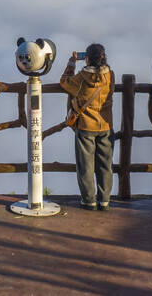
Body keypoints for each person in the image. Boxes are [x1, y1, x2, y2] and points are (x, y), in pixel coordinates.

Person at [61, 43, 115, 211]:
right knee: (105, 165)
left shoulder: (82, 77)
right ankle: (104, 200)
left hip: (86, 125)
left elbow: (64, 82)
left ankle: (89, 200)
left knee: (86, 165)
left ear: (88, 59)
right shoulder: (110, 75)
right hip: (105, 125)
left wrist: (71, 63)